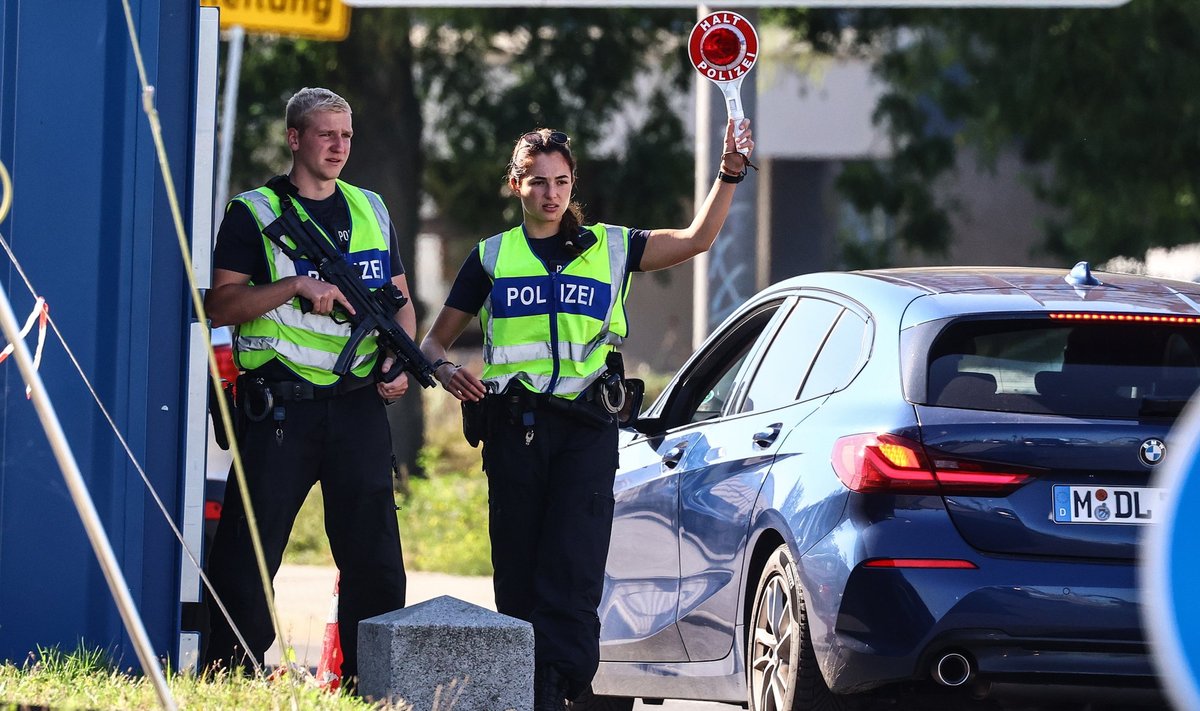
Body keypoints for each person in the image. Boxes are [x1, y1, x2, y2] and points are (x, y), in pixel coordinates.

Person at [419, 119, 755, 710]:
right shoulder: (491, 257)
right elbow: (431, 347)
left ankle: (559, 691)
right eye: (539, 182)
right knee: (520, 577)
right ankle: (525, 686)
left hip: (585, 432)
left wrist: (729, 170)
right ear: (516, 185)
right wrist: (446, 374)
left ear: (574, 185)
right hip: (514, 431)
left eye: (563, 181)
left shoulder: (612, 246)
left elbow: (699, 238)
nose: (552, 193)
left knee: (573, 573)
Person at [201, 87, 412, 685]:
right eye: (326, 134)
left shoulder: (371, 207)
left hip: (356, 407)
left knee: (374, 559)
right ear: (295, 138)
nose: (339, 146)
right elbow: (223, 304)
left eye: (347, 135)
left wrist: (397, 363)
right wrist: (294, 288)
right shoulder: (255, 212)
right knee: (248, 556)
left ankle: (370, 684)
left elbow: (400, 303)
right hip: (280, 411)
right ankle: (231, 677)